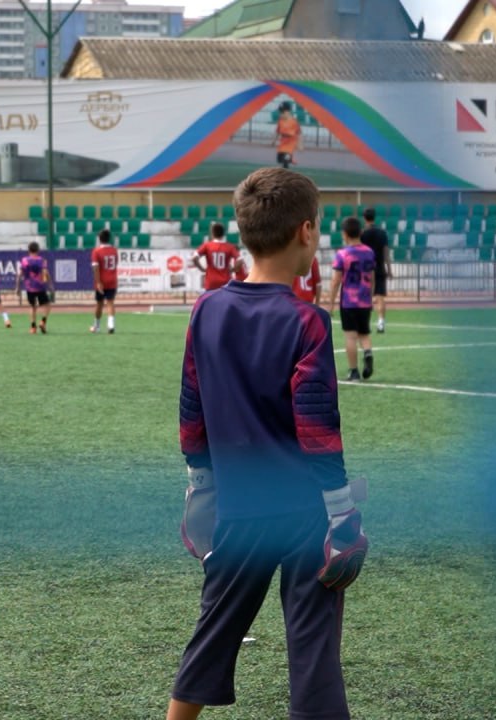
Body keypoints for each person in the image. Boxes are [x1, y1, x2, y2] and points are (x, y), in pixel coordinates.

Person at [169, 167, 367, 720]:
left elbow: (191, 411)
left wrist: (200, 485)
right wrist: (341, 512)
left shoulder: (206, 310)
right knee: (314, 653)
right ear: (306, 231)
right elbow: (318, 428)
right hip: (304, 512)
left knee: (213, 633)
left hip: (238, 504)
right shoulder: (308, 322)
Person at [326, 217, 376, 382]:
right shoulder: (369, 252)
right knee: (364, 333)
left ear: (345, 234)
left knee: (350, 337)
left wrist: (331, 303)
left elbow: (336, 280)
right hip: (364, 300)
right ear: (360, 232)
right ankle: (368, 353)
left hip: (348, 301)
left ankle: (354, 371)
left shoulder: (342, 254)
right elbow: (372, 277)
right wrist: (370, 297)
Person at [360, 208, 390, 333]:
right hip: (379, 267)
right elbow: (386, 252)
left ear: (364, 218)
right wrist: (389, 268)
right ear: (374, 217)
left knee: (364, 296)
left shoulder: (362, 234)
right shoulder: (382, 233)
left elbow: (360, 252)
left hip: (366, 268)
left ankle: (364, 323)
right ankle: (381, 323)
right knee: (380, 296)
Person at [15, 241, 54, 335]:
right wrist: (50, 285)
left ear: (29, 250)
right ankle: (43, 322)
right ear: (38, 250)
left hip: (30, 287)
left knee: (33, 307)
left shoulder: (24, 260)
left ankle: (33, 328)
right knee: (47, 305)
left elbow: (19, 275)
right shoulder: (41, 260)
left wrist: (17, 287)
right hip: (40, 286)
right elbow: (46, 273)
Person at [193, 222, 241, 292]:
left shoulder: (207, 245)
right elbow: (240, 260)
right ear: (223, 233)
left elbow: (194, 257)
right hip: (225, 281)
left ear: (212, 233)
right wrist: (232, 270)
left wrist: (202, 269)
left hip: (211, 281)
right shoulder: (230, 247)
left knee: (210, 299)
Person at [90, 229, 118, 334]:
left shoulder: (96, 251)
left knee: (99, 304)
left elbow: (95, 268)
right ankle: (111, 325)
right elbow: (116, 264)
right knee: (110, 303)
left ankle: (96, 326)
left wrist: (98, 282)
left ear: (99, 239)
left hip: (102, 280)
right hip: (112, 280)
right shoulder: (114, 250)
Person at [273, 101, 301, 170]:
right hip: (283, 143)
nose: (281, 114)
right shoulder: (280, 121)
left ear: (288, 112)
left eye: (282, 112)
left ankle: (287, 168)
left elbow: (298, 133)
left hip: (290, 144)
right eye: (280, 112)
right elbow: (277, 132)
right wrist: (274, 141)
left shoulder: (294, 122)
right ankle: (290, 159)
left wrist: (300, 144)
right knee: (279, 159)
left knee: (285, 162)